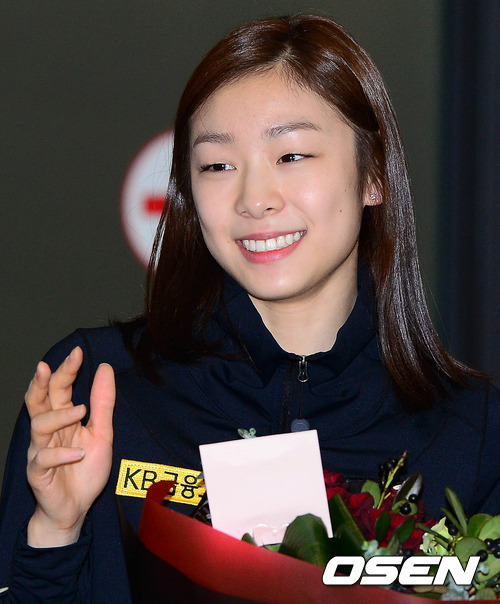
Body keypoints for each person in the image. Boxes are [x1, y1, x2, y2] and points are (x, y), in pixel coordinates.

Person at [0, 13, 499, 603]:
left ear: (374, 176)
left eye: (291, 156)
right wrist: (55, 534)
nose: (254, 199)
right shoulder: (97, 392)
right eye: (218, 165)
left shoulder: (473, 432)